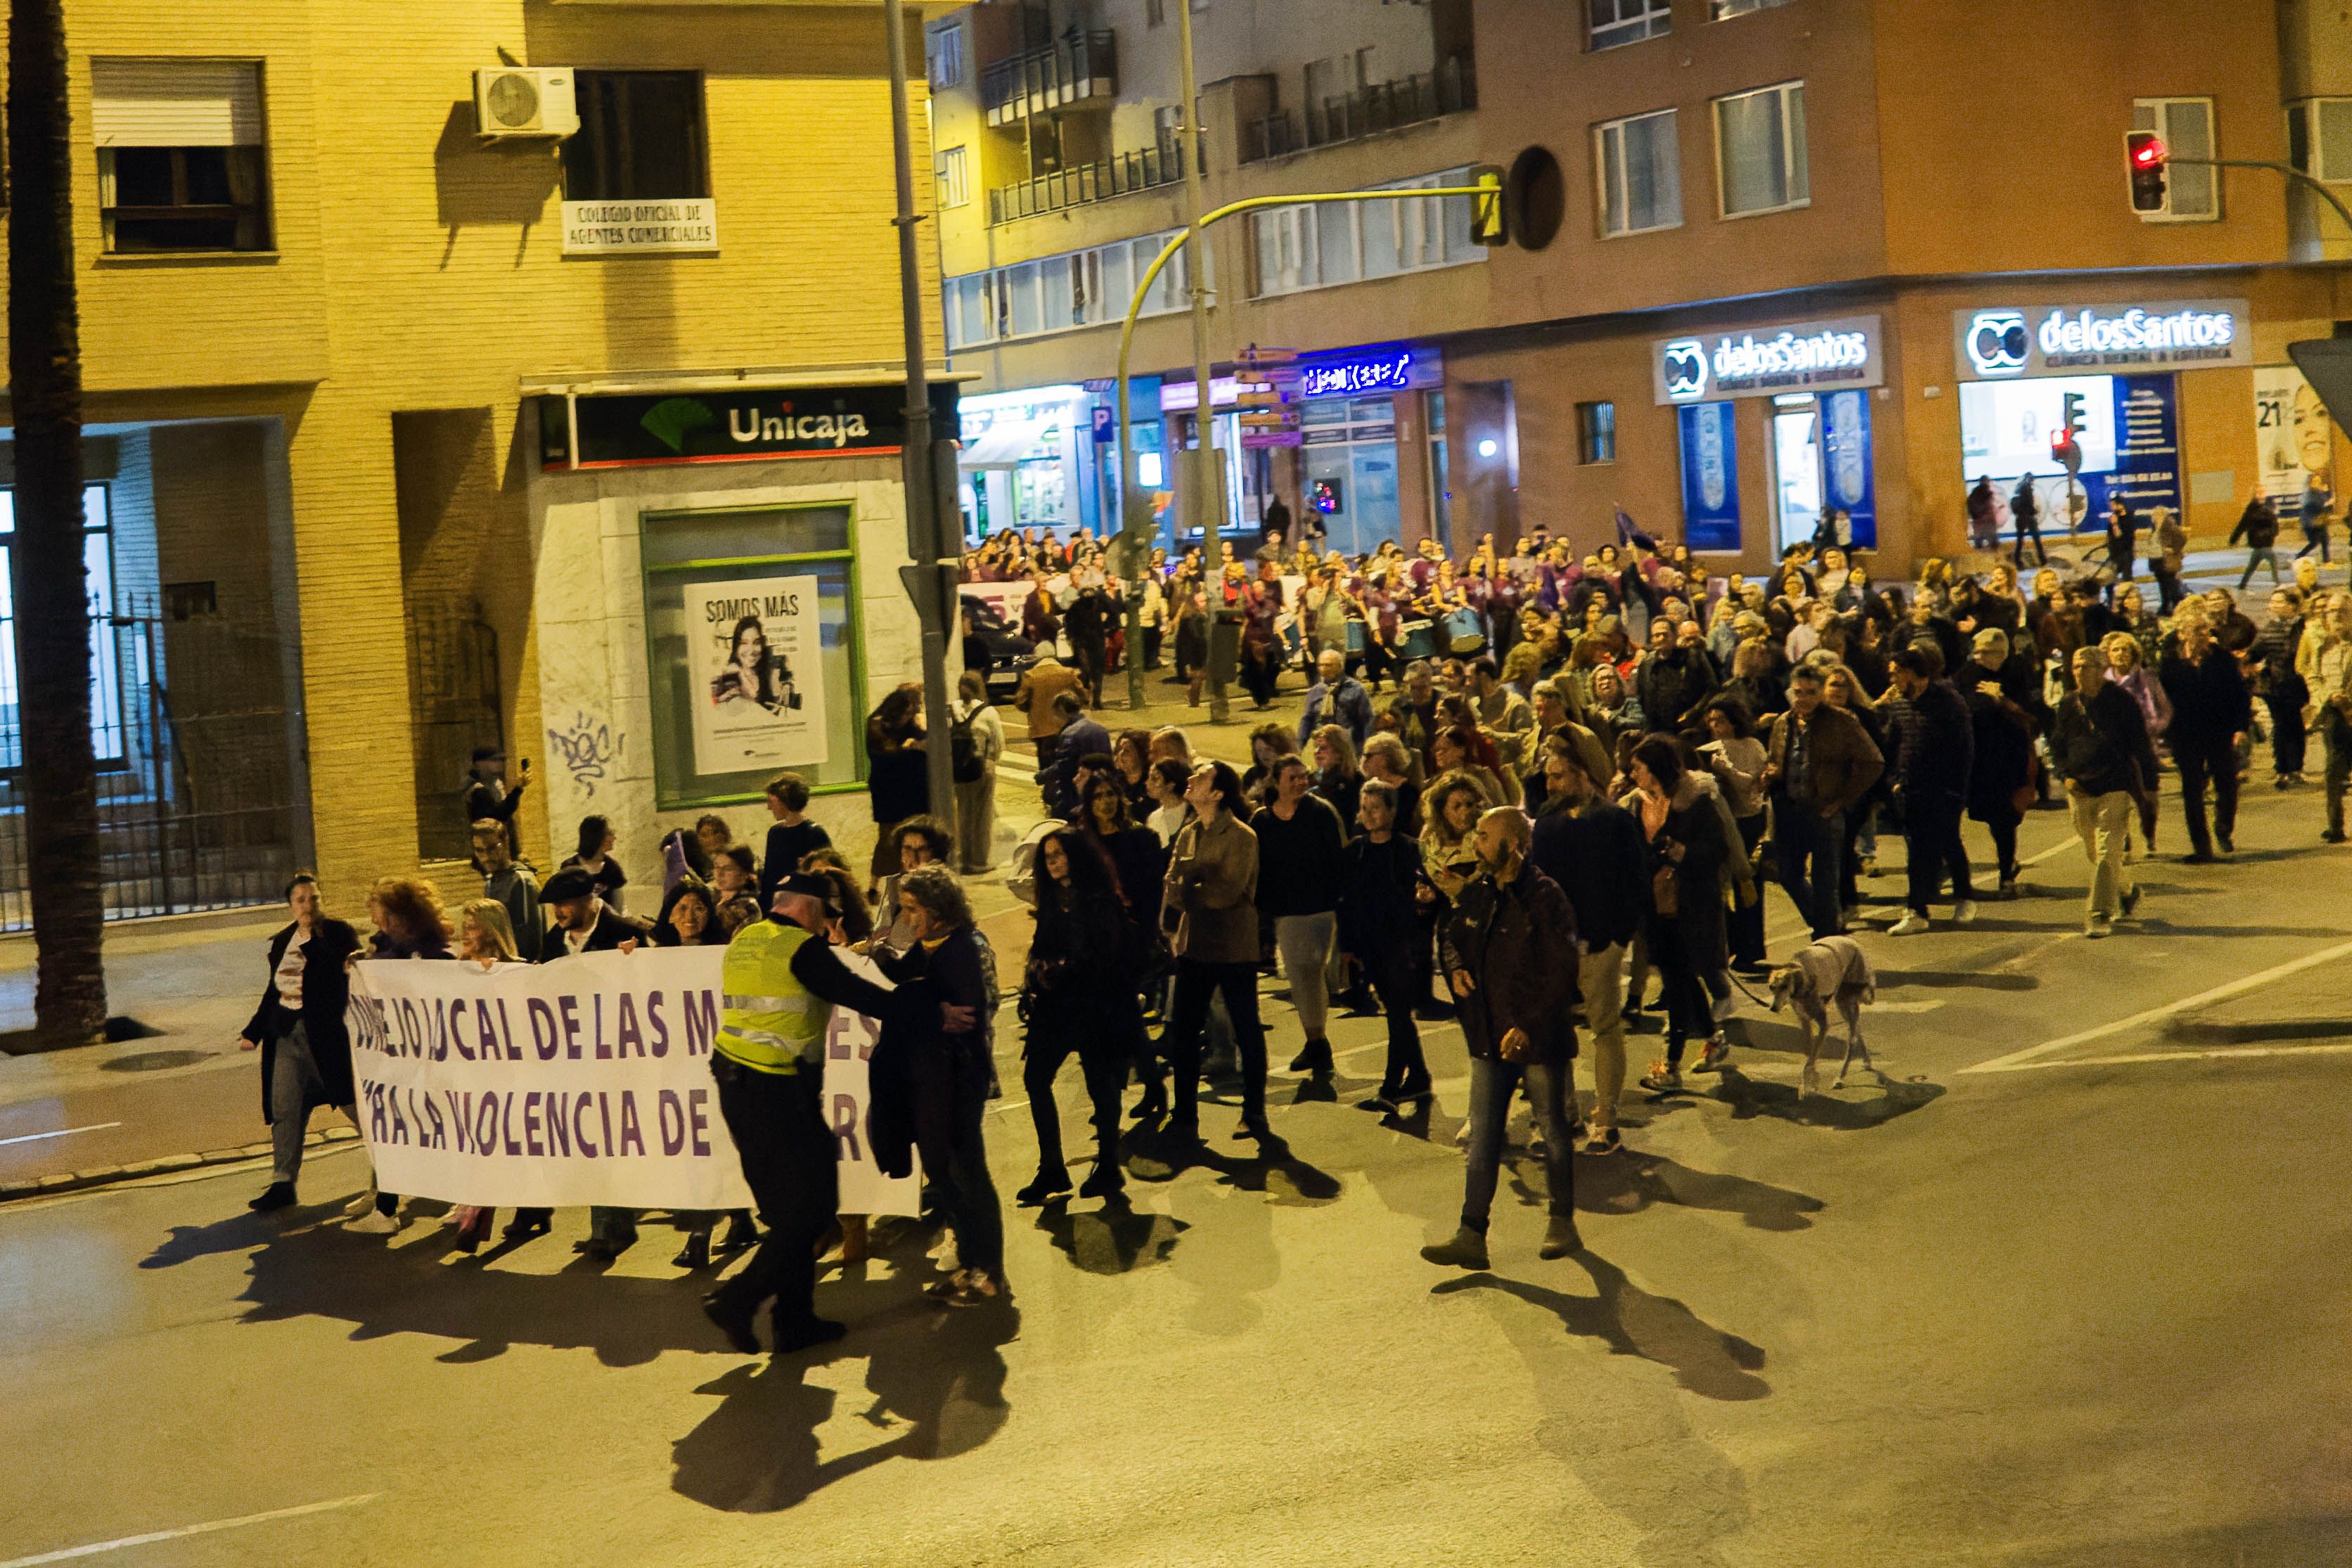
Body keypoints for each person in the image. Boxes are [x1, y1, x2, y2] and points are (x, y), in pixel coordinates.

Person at [700, 872, 975, 1355]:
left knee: (788, 1212)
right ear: (807, 907)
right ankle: (737, 1300)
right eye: (825, 915)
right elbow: (861, 996)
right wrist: (936, 1016)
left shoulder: (747, 940)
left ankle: (795, 1321)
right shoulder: (800, 949)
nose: (826, 925)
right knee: (812, 1209)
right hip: (777, 1090)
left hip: (736, 1085)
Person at [1420, 807, 1582, 1270]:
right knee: (1484, 1137)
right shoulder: (1480, 893)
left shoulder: (1545, 897)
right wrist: (1455, 968)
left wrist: (1527, 1025)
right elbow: (1451, 934)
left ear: (1512, 846)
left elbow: (1560, 971)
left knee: (1552, 1131)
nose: (1475, 844)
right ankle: (1471, 1235)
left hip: (1537, 1040)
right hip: (1489, 1037)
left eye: (1485, 836)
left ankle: (1562, 1221)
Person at [874, 866, 1005, 1305]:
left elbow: (966, 1015)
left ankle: (989, 1271)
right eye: (904, 909)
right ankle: (970, 1264)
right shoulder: (928, 947)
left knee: (968, 1173)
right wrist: (878, 957)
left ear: (939, 907)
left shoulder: (965, 947)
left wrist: (923, 1009)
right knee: (945, 1173)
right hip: (930, 1079)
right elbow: (906, 983)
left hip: (959, 1078)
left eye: (914, 909)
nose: (907, 919)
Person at [1528, 741, 1646, 1152]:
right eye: (1548, 776)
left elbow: (1635, 878)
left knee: (1604, 1027)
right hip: (1557, 946)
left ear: (1583, 774)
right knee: (1553, 1031)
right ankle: (1563, 1116)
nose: (1551, 784)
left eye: (1558, 775)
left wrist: (1619, 936)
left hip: (1600, 942)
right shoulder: (1546, 821)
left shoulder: (1614, 819)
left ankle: (1606, 1120)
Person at [1015, 829, 1135, 1204]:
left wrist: (1061, 969)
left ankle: (1109, 1165)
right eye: (1048, 856)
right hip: (1055, 1008)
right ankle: (1051, 1166)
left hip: (1094, 1007)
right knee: (1036, 1078)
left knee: (1101, 1086)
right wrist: (1034, 975)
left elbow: (1103, 956)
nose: (1053, 862)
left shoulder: (1100, 899)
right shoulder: (1052, 899)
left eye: (1059, 854)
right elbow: (1042, 946)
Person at [1158, 761, 1269, 1141]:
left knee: (1246, 1027)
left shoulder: (1241, 836)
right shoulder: (1189, 833)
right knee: (1184, 1031)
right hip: (1195, 945)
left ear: (1218, 793)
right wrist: (1196, 881)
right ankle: (1185, 1114)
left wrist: (1191, 882)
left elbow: (1226, 892)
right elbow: (1172, 886)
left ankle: (1253, 1112)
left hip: (1233, 946)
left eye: (1201, 777)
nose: (1190, 780)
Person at [238, 873, 362, 1214]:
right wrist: (253, 1032)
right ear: (291, 905)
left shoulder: (337, 934)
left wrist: (316, 940)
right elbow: (273, 991)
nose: (308, 906)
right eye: (301, 900)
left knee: (353, 1103)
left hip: (324, 1038)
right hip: (285, 1035)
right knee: (285, 1107)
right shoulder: (283, 940)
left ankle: (391, 1163)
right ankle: (283, 1183)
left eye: (314, 898)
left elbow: (341, 974)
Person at [1628, 737, 1733, 1091]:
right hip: (1654, 906)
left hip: (1690, 905)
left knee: (1676, 983)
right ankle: (1714, 1038)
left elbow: (1719, 849)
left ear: (1656, 769)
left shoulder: (1695, 803)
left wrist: (1683, 852)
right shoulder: (1638, 805)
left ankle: (1671, 1066)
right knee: (1681, 978)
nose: (1632, 774)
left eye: (1638, 768)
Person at [1760, 664, 1884, 942]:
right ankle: (1826, 927)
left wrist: (1843, 799)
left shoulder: (1841, 721)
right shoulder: (1783, 723)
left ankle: (1825, 939)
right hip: (1789, 811)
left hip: (1824, 811)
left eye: (1810, 692)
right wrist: (1770, 775)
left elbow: (1873, 762)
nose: (1803, 698)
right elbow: (1777, 760)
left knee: (1825, 883)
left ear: (1821, 693)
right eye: (1798, 692)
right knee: (1788, 875)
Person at [1251, 754, 1351, 1079]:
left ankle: (1317, 1043)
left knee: (1307, 974)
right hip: (1284, 910)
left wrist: (1339, 899)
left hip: (1318, 908)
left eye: (1303, 776)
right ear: (1277, 781)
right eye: (1292, 778)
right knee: (1303, 977)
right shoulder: (1262, 821)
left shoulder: (1321, 812)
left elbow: (1338, 858)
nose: (1299, 782)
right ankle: (1316, 1041)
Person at [2050, 644, 2159, 937]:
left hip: (2115, 784)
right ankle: (2127, 890)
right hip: (2079, 787)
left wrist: (2150, 789)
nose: (2079, 671)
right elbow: (2057, 744)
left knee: (2107, 850)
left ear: (2102, 670)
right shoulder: (2069, 703)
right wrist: (2064, 776)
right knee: (2094, 851)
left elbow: (2141, 746)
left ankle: (2099, 913)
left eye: (2086, 666)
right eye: (2075, 666)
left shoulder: (2122, 702)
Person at [1337, 779, 1432, 1113]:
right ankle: (1418, 1076)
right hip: (1370, 945)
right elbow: (1347, 901)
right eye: (1364, 808)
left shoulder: (1408, 850)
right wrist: (1348, 946)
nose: (1369, 815)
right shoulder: (1356, 851)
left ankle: (1391, 1087)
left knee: (1398, 1015)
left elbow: (1421, 899)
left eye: (1376, 808)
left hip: (1402, 945)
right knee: (1397, 1013)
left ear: (1392, 810)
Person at [444, 899, 522, 1252]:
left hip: (504, 1076)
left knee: (491, 1143)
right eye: (465, 926)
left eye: (473, 926)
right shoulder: (456, 969)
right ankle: (476, 1211)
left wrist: (496, 977)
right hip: (468, 1074)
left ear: (491, 931)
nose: (466, 933)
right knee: (475, 1143)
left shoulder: (516, 969)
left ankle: (474, 1217)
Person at [1882, 648, 1978, 934]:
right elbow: (1893, 745)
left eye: (1895, 673)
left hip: (1945, 789)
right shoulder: (1900, 705)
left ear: (1911, 673)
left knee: (1948, 842)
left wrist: (1957, 790)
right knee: (1917, 848)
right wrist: (1894, 780)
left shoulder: (1949, 703)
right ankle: (1917, 911)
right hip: (1911, 788)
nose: (1892, 680)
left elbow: (1964, 749)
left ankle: (1964, 896)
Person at [2159, 612, 2251, 863]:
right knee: (2192, 789)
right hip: (2186, 734)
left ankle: (2223, 826)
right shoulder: (2170, 663)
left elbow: (2240, 695)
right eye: (2197, 630)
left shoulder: (2222, 659)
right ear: (2182, 634)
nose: (2204, 635)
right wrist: (2165, 735)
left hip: (2219, 731)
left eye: (2205, 629)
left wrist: (2241, 728)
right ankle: (2201, 847)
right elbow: (2163, 700)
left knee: (2227, 782)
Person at [1960, 629, 2045, 898]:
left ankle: (2006, 872)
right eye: (1978, 651)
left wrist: (2001, 699)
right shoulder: (1967, 675)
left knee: (2004, 818)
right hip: (1977, 757)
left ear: (2003, 653)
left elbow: (2032, 714)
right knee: (1980, 812)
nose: (1981, 656)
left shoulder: (2016, 675)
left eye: (1988, 652)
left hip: (2009, 757)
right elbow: (1962, 706)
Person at [1698, 699, 1769, 969]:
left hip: (1749, 820)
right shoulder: (1710, 748)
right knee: (1722, 889)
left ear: (1734, 722)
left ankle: (1750, 949)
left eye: (1721, 721)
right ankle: (1730, 943)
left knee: (1749, 887)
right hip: (1724, 822)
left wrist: (1725, 769)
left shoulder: (1752, 746)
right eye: (1711, 721)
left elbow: (1749, 784)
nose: (1715, 726)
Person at [864, 684, 930, 890]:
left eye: (910, 713)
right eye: (905, 713)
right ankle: (877, 883)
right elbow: (884, 755)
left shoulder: (909, 725)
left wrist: (920, 737)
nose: (907, 717)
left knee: (914, 836)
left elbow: (925, 738)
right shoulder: (877, 724)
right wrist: (909, 747)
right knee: (888, 838)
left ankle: (911, 877)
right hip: (888, 790)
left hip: (912, 788)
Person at [2254, 589, 2309, 790]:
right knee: (2280, 726)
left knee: (2295, 725)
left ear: (2292, 605)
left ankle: (2296, 768)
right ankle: (2282, 768)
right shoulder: (2269, 629)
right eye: (2273, 602)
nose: (2274, 605)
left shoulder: (2304, 627)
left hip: (2297, 683)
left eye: (2279, 602)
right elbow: (2256, 652)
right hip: (2275, 686)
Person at [950, 670, 1003, 874]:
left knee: (963, 813)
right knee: (981, 815)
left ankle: (964, 857)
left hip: (958, 772)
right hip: (982, 770)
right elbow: (998, 743)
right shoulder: (987, 712)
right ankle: (979, 861)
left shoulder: (952, 710)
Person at [471, 817, 542, 963]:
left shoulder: (521, 880)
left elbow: (529, 939)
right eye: (479, 850)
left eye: (492, 848)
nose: (486, 856)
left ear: (505, 843)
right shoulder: (491, 883)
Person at [759, 771, 832, 909]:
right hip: (778, 903)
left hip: (805, 905)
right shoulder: (775, 833)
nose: (769, 807)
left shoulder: (815, 834)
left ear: (785, 801)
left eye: (772, 802)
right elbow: (770, 876)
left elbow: (825, 876)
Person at [1011, 652, 1086, 777]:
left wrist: (1033, 709)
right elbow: (1082, 697)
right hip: (1067, 727)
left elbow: (1021, 701)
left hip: (1042, 732)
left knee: (1047, 770)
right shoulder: (1069, 673)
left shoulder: (1031, 676)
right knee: (1069, 767)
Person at [2314, 594, 2352, 842]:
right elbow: (2313, 676)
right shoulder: (2324, 645)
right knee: (2332, 772)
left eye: (2342, 611)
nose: (2336, 615)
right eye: (2331, 611)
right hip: (2334, 715)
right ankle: (2335, 825)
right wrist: (2328, 696)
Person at [1044, 692, 1112, 820]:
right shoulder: (1101, 730)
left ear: (1061, 710)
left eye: (1056, 713)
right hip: (1102, 784)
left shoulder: (1070, 733)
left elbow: (1063, 765)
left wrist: (1044, 776)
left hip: (1074, 792)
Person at [1298, 648, 1374, 752]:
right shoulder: (1315, 691)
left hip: (1350, 745)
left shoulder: (1356, 689)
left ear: (1339, 666)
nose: (1324, 668)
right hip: (1323, 745)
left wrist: (1368, 746)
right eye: (1320, 665)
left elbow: (1367, 719)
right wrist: (1299, 746)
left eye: (1328, 665)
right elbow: (1307, 719)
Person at [463, 745, 529, 861]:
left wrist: (516, 851)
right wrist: (518, 789)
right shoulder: (476, 789)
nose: (499, 764)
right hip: (488, 855)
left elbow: (507, 821)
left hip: (501, 852)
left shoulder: (496, 784)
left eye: (501, 760)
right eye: (494, 760)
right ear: (478, 764)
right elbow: (499, 816)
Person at [560, 814, 627, 914]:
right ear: (596, 837)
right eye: (610, 833)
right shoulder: (570, 868)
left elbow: (618, 909)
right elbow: (564, 907)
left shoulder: (612, 869)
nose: (614, 837)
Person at [2231, 490, 2284, 589]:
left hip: (2258, 545)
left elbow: (2241, 527)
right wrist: (2270, 535)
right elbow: (2275, 527)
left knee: (2252, 567)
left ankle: (2242, 585)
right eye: (2259, 493)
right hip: (2265, 545)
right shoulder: (2265, 511)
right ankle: (2278, 583)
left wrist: (2233, 539)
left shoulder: (2251, 512)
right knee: (2272, 563)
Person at [2297, 471, 2335, 562]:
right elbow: (2316, 504)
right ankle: (2299, 556)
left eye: (2319, 481)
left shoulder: (2320, 492)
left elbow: (2329, 504)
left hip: (2320, 520)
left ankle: (2327, 561)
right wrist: (2326, 503)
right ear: (2310, 483)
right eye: (2315, 481)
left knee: (2324, 540)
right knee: (2315, 542)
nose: (2317, 483)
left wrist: (2327, 492)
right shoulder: (2309, 494)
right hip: (2311, 522)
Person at [2010, 473, 2045, 567]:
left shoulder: (2018, 487)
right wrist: (2034, 511)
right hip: (2028, 517)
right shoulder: (2027, 487)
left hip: (2019, 517)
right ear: (2031, 479)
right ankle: (2042, 559)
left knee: (2020, 540)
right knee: (2036, 538)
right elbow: (2029, 503)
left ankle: (2017, 560)